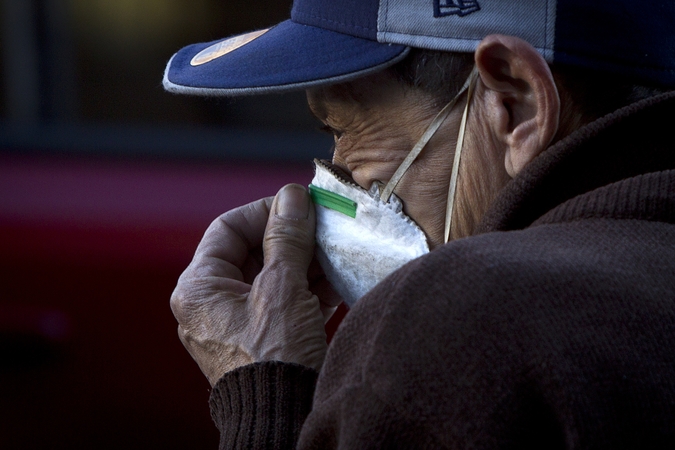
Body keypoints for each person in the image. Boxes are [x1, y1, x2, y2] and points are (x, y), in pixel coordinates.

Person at [164, 0, 675, 448]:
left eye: (343, 128)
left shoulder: (453, 320)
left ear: (514, 102)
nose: (333, 174)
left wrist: (266, 394)